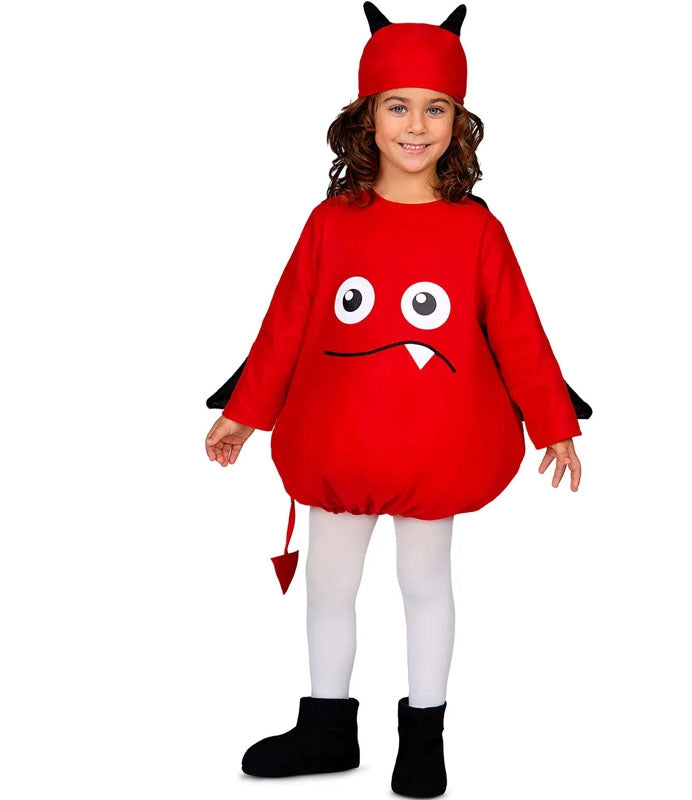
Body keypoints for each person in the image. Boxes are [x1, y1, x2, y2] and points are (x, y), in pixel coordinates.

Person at [205, 3, 584, 796]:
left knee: (425, 582)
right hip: (338, 443)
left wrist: (553, 423)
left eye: (436, 108)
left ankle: (424, 737)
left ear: (459, 122)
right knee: (327, 584)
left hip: (435, 447)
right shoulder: (329, 224)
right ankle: (326, 728)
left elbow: (519, 332)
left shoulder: (476, 232)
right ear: (367, 118)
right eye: (398, 106)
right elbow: (286, 324)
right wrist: (244, 413)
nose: (417, 126)